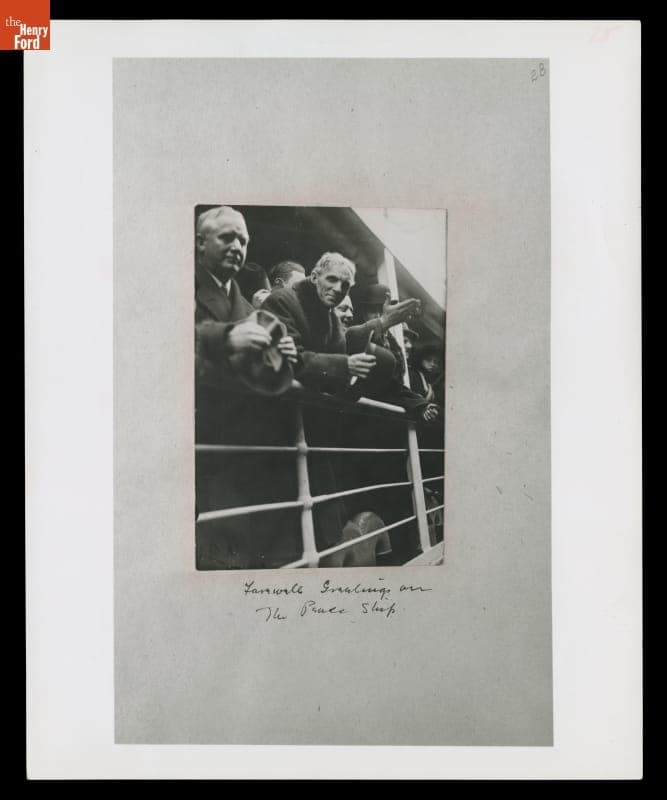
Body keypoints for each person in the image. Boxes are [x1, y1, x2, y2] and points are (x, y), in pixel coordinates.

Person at [194, 205, 303, 570]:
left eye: (242, 239)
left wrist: (283, 355)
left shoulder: (242, 302)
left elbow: (255, 367)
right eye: (227, 236)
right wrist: (227, 337)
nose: (236, 245)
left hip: (246, 447)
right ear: (199, 242)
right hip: (201, 446)